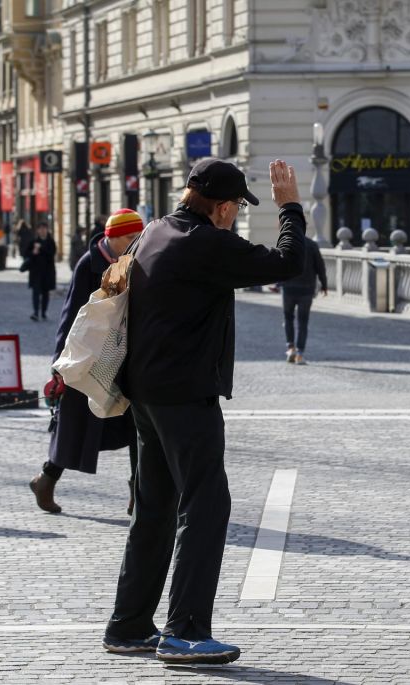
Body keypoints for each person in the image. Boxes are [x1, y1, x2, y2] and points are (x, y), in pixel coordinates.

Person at [101, 159, 305, 665]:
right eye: (235, 209)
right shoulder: (206, 243)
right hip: (184, 395)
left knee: (155, 508)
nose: (234, 218)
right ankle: (185, 631)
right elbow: (287, 263)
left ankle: (128, 626)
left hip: (145, 393)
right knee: (207, 505)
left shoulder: (154, 231)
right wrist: (290, 208)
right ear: (223, 206)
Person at [30, 209, 146, 515]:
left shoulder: (135, 261)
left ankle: (139, 493)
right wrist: (60, 366)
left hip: (126, 357)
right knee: (74, 426)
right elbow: (71, 317)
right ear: (115, 238)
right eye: (133, 238)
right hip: (91, 359)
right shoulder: (89, 264)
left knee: (138, 426)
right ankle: (47, 478)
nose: (138, 243)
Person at [282, 234, 328, 365]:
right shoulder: (312, 245)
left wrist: (278, 282)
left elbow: (280, 263)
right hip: (306, 289)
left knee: (288, 318)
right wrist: (324, 285)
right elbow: (320, 267)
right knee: (303, 322)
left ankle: (291, 349)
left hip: (289, 288)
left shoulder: (287, 242)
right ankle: (300, 354)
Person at [26, 222, 57, 321]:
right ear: (38, 230)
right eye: (41, 228)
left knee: (45, 293)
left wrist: (41, 248)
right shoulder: (33, 241)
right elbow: (26, 254)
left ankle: (43, 312)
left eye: (44, 228)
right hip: (36, 272)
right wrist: (33, 252)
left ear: (47, 230)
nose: (43, 230)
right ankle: (35, 312)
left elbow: (51, 254)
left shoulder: (50, 242)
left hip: (47, 272)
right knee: (35, 292)